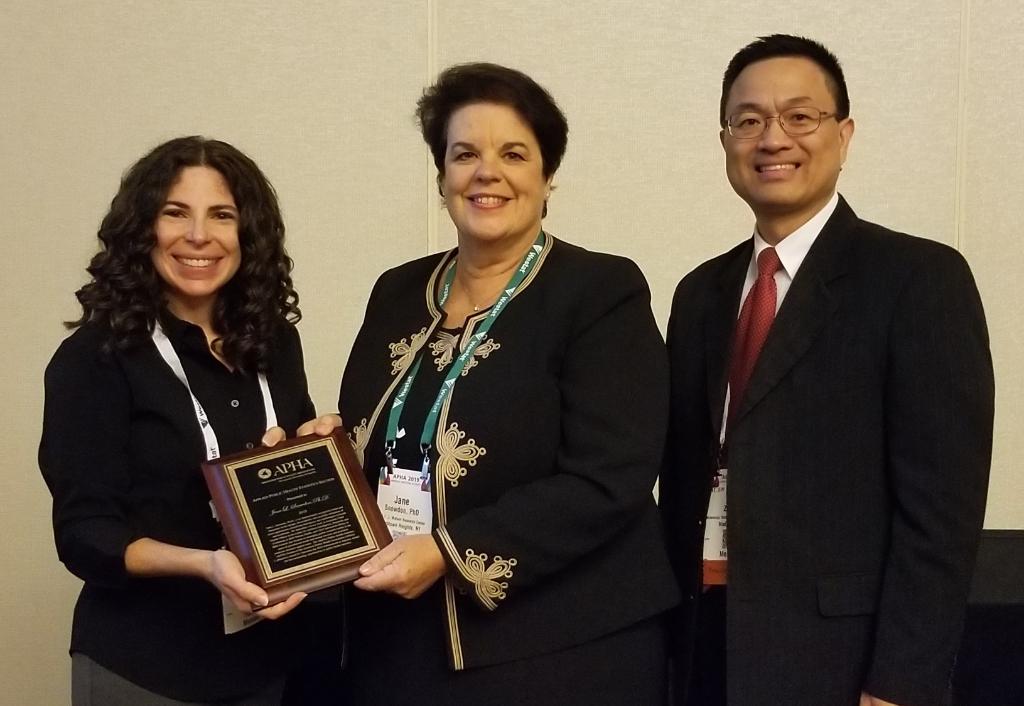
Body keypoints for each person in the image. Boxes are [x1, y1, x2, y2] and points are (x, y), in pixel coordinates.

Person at [660, 34, 995, 706]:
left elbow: (941, 514)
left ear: (843, 136)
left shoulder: (918, 280)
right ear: (724, 141)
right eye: (748, 120)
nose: (771, 138)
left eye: (799, 117)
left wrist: (903, 682)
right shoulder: (700, 292)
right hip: (704, 639)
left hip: (842, 660)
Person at [334, 62, 680, 705]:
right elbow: (371, 435)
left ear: (547, 178)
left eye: (513, 153)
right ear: (442, 178)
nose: (485, 172)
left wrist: (448, 550)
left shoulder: (600, 291)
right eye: (464, 154)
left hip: (562, 648)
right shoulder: (397, 290)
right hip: (401, 643)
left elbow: (609, 478)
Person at [39, 136, 319, 705]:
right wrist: (204, 565)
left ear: (248, 235)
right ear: (144, 229)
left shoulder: (274, 344)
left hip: (270, 665)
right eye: (175, 214)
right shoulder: (97, 358)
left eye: (221, 215)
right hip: (146, 668)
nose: (199, 236)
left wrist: (318, 455)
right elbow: (84, 535)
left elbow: (288, 477)